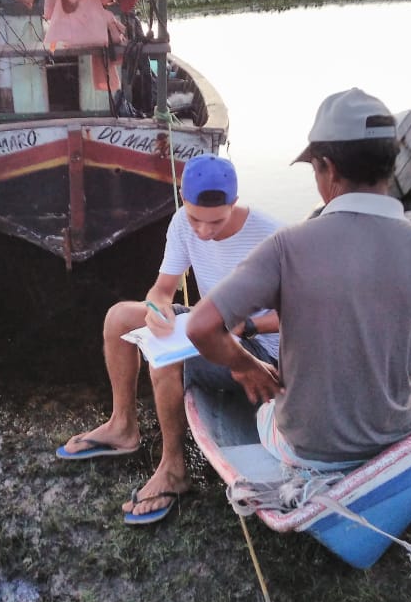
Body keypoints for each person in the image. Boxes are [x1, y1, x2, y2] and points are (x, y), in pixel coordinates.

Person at [186, 88, 411, 471]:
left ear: (328, 168)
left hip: (303, 448)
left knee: (268, 413)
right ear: (392, 164)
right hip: (400, 436)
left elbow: (201, 326)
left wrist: (245, 365)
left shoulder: (284, 247)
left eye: (314, 169)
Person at [56, 154, 282, 522]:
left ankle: (174, 469)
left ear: (235, 203)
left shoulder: (271, 236)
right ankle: (123, 426)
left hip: (259, 351)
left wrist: (249, 326)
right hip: (212, 327)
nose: (203, 231)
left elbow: (303, 312)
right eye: (195, 219)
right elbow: (161, 290)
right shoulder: (180, 223)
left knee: (165, 357)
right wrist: (157, 310)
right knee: (119, 318)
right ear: (183, 199)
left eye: (216, 221)